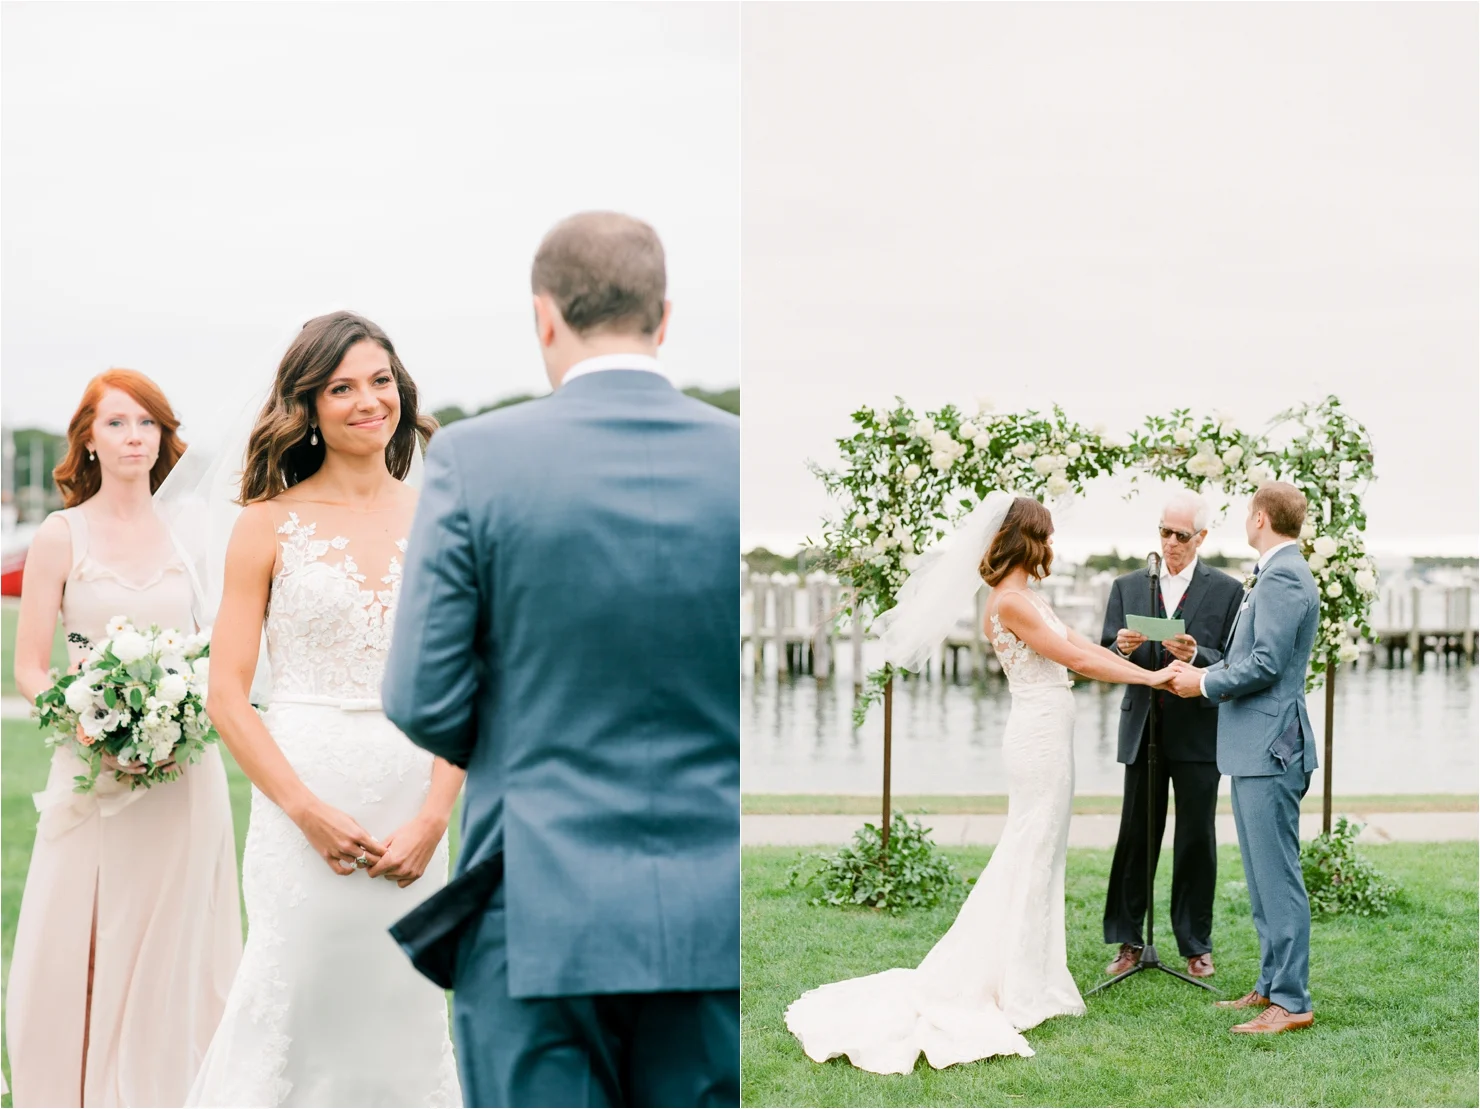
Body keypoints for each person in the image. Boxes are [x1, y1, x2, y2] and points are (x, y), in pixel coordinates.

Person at [384, 211, 741, 1107]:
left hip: (538, 898)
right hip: (717, 909)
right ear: (664, 316)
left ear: (544, 316)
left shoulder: (473, 459)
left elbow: (421, 696)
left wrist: (524, 736)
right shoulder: (741, 457)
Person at [784, 494, 1177, 1075]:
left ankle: (1033, 974)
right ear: (1027, 540)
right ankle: (1015, 984)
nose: (1052, 546)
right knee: (1029, 850)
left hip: (1051, 730)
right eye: (1046, 536)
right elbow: (1078, 663)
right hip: (1037, 735)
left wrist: (1133, 656)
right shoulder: (1009, 602)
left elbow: (1084, 647)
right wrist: (1154, 678)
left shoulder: (1029, 596)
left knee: (1042, 853)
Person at [183, 313, 462, 1106]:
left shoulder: (445, 517)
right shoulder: (265, 524)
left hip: (415, 809)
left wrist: (434, 816)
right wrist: (305, 810)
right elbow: (227, 695)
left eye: (380, 380)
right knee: (295, 1002)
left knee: (404, 1009)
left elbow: (468, 682)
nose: (368, 401)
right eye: (342, 387)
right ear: (307, 406)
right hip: (301, 801)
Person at [6, 370, 241, 1107]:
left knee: (179, 935)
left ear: (164, 438)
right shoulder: (60, 535)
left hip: (184, 770)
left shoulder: (194, 532)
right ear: (88, 439)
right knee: (79, 928)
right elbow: (30, 667)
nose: (134, 437)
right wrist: (83, 723)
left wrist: (183, 715)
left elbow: (220, 647)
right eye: (116, 423)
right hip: (92, 770)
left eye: (147, 423)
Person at [1166, 482, 1321, 1035]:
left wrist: (1203, 683)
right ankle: (1270, 985)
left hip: (1271, 747)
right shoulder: (1275, 572)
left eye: (1246, 512)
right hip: (1253, 746)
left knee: (1277, 878)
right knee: (1260, 878)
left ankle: (1293, 1001)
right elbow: (1246, 656)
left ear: (1260, 518)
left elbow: (1267, 664)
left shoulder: (1284, 576)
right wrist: (1201, 664)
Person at [1100, 490, 1243, 980]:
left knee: (1196, 839)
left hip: (1198, 728)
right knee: (1136, 836)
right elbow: (1104, 654)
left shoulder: (1227, 590)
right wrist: (1121, 647)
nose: (1171, 542)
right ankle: (1128, 941)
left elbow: (1233, 659)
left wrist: (1197, 654)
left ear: (1201, 537)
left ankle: (1195, 944)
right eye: (1165, 532)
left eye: (1181, 535)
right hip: (1143, 726)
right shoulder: (1128, 586)